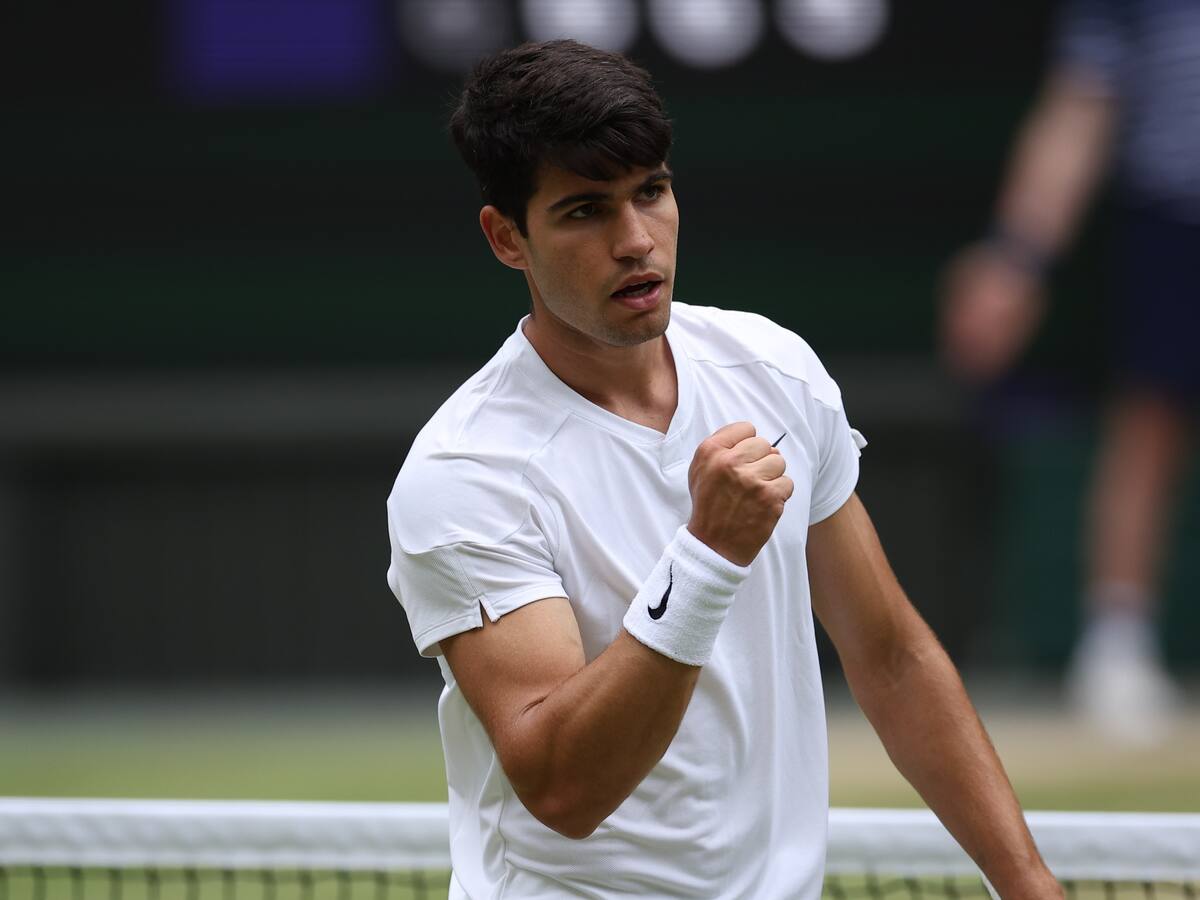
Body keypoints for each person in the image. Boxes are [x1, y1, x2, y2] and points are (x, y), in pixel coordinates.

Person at [387, 40, 1059, 899]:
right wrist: (706, 557)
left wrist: (1027, 882)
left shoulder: (774, 372)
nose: (636, 241)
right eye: (586, 211)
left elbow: (889, 658)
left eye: (652, 193)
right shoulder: (464, 473)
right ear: (506, 237)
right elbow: (563, 787)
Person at [940, 0, 1197, 744]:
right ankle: (1118, 644)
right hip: (1173, 211)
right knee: (1149, 423)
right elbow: (1081, 103)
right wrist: (1016, 258)